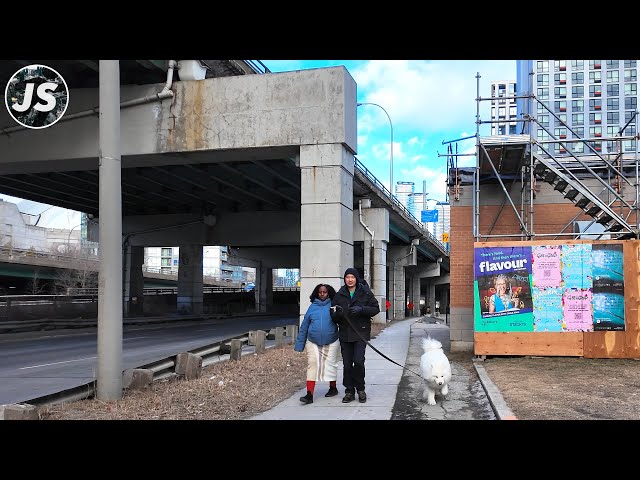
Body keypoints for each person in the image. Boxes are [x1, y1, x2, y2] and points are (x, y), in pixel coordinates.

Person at [330, 267, 380, 403]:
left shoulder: (365, 292)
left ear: (356, 279)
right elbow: (333, 314)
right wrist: (337, 314)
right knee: (347, 364)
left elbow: (376, 309)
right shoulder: (339, 294)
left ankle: (360, 389)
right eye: (347, 277)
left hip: (360, 333)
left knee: (358, 361)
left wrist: (361, 309)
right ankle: (349, 391)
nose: (350, 280)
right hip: (345, 334)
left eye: (352, 277)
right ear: (344, 279)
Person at [294, 283, 340, 405]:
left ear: (328, 293)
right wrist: (300, 344)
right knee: (312, 364)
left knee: (331, 365)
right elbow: (304, 327)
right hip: (312, 341)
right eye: (320, 292)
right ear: (316, 293)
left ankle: (333, 388)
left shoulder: (333, 306)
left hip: (332, 340)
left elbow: (342, 322)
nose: (322, 294)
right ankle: (309, 394)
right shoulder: (312, 307)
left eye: (324, 292)